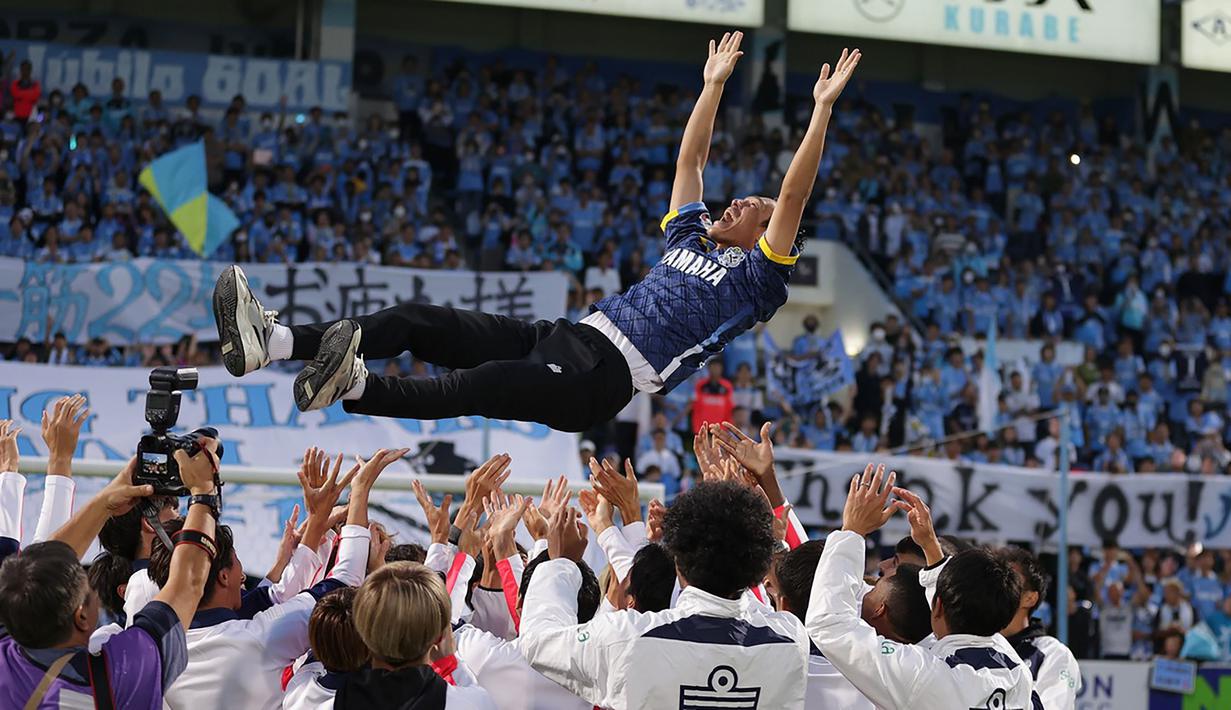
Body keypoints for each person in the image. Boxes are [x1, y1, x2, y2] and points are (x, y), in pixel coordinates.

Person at [211, 35, 860, 433]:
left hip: (604, 378)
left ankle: (353, 387)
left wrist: (821, 110)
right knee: (418, 321)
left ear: (770, 234)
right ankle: (274, 342)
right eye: (745, 198)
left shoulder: (757, 280)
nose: (740, 202)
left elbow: (796, 194)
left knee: (484, 382)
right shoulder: (688, 240)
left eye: (756, 206)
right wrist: (712, 87)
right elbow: (690, 162)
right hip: (569, 334)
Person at [518, 481, 811, 709]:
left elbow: (537, 643)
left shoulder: (628, 638)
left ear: (678, 565)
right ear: (759, 570)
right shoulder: (791, 640)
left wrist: (561, 562)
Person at [146, 447, 401, 708]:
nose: (243, 574)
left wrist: (315, 523)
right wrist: (360, 491)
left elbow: (271, 596)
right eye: (236, 563)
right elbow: (344, 582)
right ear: (223, 576)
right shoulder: (260, 637)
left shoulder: (157, 643)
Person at [0, 441, 220, 709]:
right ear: (82, 616)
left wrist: (203, 497)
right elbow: (189, 583)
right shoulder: (122, 671)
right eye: (87, 586)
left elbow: (187, 584)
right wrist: (204, 491)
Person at [806, 465, 1037, 709]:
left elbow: (830, 626)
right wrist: (929, 547)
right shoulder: (1017, 672)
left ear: (936, 606)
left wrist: (852, 530)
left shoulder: (926, 676)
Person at [770, 539, 930, 708]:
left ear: (880, 610)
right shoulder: (919, 669)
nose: (864, 591)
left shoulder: (775, 665)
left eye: (872, 590)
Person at [338, 561, 496, 708]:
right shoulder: (472, 703)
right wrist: (450, 664)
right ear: (440, 637)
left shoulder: (329, 702)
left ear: (361, 627)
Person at [1000, 546, 1082, 710]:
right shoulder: (972, 644)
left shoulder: (1054, 654)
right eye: (993, 580)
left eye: (1009, 580)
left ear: (1030, 598)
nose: (996, 588)